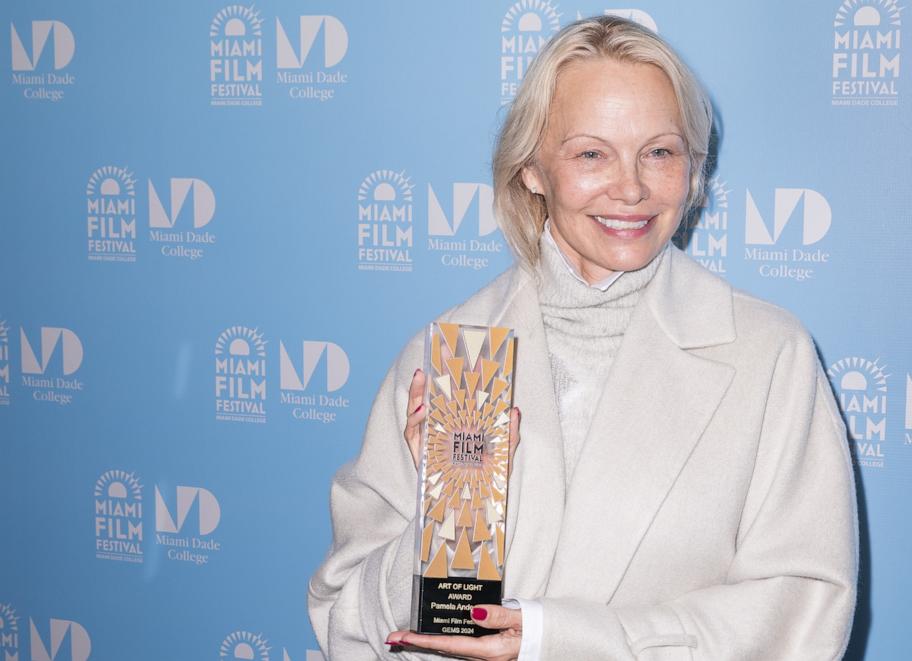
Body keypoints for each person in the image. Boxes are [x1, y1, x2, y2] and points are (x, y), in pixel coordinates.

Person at [308, 15, 857, 660]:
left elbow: (802, 617)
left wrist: (556, 641)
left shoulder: (769, 355)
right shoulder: (448, 358)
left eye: (659, 151)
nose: (631, 188)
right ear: (532, 169)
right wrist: (450, 517)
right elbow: (344, 626)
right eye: (591, 153)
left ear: (693, 168)